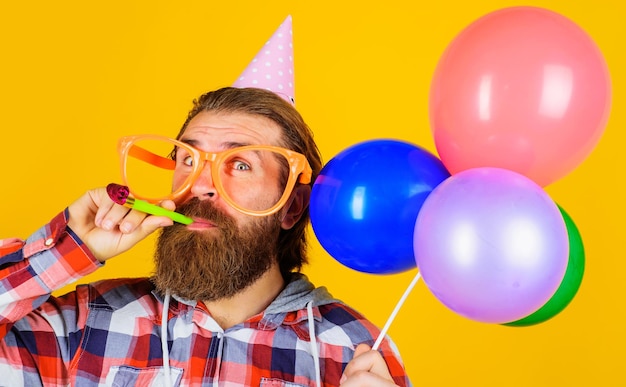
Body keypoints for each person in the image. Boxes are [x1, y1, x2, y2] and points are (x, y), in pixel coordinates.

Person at [0, 86, 411, 386]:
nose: (200, 185)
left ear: (291, 207)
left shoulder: (352, 350)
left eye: (240, 164)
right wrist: (73, 248)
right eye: (188, 158)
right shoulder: (84, 324)